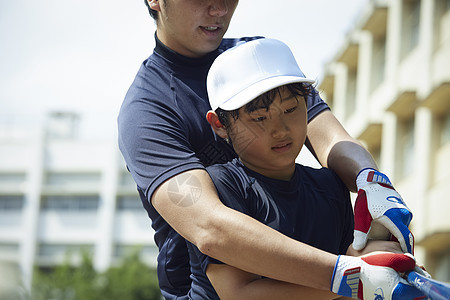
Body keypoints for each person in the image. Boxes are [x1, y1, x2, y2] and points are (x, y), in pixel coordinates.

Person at [117, 1, 415, 298]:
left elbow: (331, 138)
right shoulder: (147, 109)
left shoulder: (259, 59)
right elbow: (211, 228)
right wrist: (349, 275)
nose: (219, 9)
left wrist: (372, 181)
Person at [184, 37, 424, 300]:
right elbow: (238, 293)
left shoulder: (330, 185)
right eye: (260, 118)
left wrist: (385, 263)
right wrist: (355, 278)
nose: (280, 129)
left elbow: (347, 263)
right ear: (219, 124)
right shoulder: (222, 185)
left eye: (290, 109)